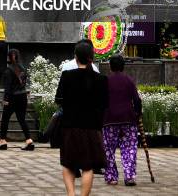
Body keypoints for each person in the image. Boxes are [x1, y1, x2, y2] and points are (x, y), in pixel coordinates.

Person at [55, 40, 108, 196]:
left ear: (75, 57)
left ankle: (71, 194)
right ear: (91, 57)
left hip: (70, 126)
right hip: (92, 127)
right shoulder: (101, 79)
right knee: (88, 166)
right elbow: (104, 104)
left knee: (67, 163)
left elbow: (59, 99)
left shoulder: (67, 76)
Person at [102, 54, 142, 187]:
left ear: (110, 66)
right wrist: (137, 114)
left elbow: (101, 102)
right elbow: (136, 100)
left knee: (108, 149)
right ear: (123, 66)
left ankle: (112, 177)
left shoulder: (105, 81)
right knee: (130, 148)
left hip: (110, 120)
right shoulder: (129, 80)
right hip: (128, 119)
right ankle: (129, 176)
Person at [0, 49, 34, 151]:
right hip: (22, 96)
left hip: (12, 97)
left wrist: (5, 100)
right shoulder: (23, 69)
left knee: (5, 119)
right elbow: (23, 84)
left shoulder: (8, 70)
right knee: (22, 119)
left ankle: (2, 141)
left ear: (8, 58)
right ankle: (29, 140)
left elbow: (8, 87)